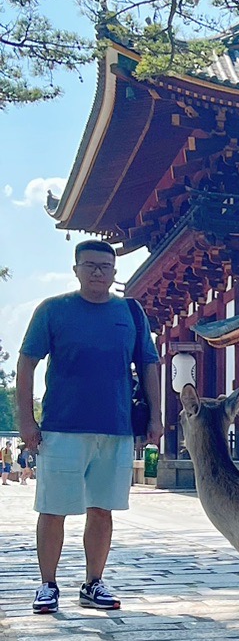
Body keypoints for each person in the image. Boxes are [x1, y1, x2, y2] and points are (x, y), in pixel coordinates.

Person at [17, 240, 162, 614]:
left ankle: (93, 582)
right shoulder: (53, 310)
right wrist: (26, 419)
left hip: (114, 426)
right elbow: (26, 363)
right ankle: (48, 584)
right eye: (90, 265)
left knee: (102, 508)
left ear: (115, 273)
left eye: (104, 266)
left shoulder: (130, 313)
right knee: (53, 507)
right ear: (76, 269)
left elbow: (148, 364)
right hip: (63, 425)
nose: (97, 272)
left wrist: (157, 417)